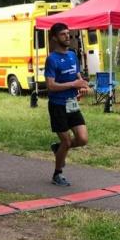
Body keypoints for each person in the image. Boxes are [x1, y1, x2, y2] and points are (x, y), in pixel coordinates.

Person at [45, 22, 90, 186]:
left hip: (72, 104)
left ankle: (58, 149)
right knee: (67, 142)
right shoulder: (52, 59)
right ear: (55, 38)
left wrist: (83, 86)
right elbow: (50, 86)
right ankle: (57, 174)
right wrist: (73, 85)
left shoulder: (72, 55)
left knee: (83, 139)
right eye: (63, 34)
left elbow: (78, 77)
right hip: (58, 105)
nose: (67, 36)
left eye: (68, 33)